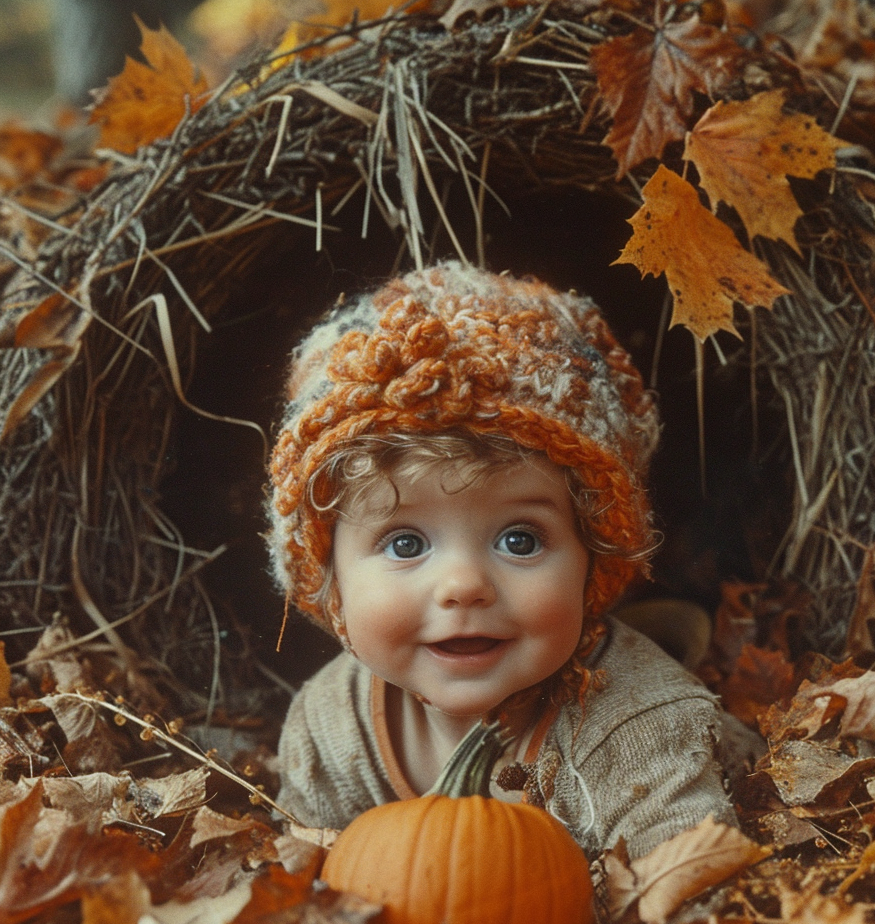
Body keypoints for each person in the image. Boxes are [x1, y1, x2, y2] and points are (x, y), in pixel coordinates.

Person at [267, 262, 736, 859]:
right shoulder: (329, 731)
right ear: (331, 581)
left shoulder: (639, 727)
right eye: (405, 543)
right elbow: (307, 900)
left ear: (594, 558)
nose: (463, 586)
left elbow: (689, 896)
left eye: (520, 540)